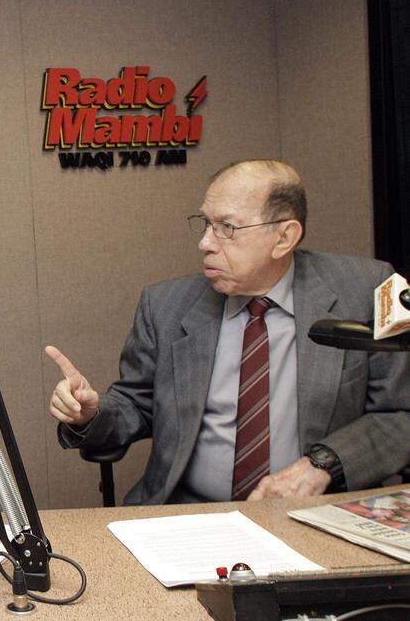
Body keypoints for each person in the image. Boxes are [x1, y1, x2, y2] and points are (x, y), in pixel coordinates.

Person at [46, 159, 410, 505]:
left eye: (226, 227)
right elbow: (136, 405)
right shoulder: (166, 305)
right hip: (188, 512)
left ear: (284, 237)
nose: (205, 242)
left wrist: (322, 465)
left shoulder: (367, 290)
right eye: (206, 224)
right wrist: (90, 413)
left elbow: (400, 415)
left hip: (310, 511)